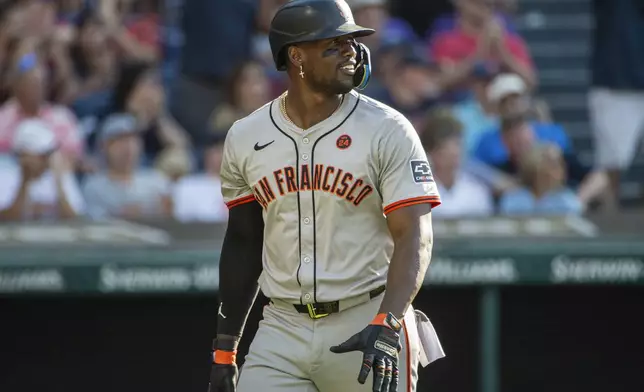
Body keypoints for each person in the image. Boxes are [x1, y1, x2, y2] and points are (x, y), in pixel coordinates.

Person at [208, 1, 445, 392]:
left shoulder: (388, 129)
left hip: (366, 315)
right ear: (296, 56)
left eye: (353, 41)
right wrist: (224, 349)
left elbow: (415, 236)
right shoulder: (246, 136)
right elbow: (243, 242)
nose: (352, 51)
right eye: (334, 44)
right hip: (282, 326)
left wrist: (388, 322)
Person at [82, 113, 173, 220]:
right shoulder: (94, 186)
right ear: (105, 146)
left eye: (132, 140)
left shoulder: (156, 180)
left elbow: (169, 216)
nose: (128, 147)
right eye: (120, 141)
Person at [0, 119, 85, 221]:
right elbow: (8, 221)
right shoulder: (6, 174)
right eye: (41, 155)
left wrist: (58, 183)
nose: (46, 159)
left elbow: (74, 220)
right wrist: (24, 183)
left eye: (48, 154)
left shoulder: (60, 173)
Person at [421, 108, 493, 218]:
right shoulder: (417, 193)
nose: (456, 152)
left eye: (458, 145)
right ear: (432, 152)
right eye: (443, 148)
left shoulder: (477, 192)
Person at [499, 143, 583, 215]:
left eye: (557, 165)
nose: (554, 171)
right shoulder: (512, 199)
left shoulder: (567, 202)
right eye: (548, 164)